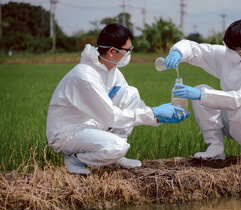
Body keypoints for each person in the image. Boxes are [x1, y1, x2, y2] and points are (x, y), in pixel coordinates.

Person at [46, 23, 188, 175]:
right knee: (118, 147)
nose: (129, 54)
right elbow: (112, 116)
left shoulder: (112, 70)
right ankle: (75, 159)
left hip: (92, 123)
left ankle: (115, 158)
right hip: (67, 133)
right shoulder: (85, 76)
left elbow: (131, 104)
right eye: (128, 50)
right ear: (112, 51)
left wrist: (159, 117)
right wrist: (153, 112)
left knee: (130, 93)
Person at [164, 19, 241, 165]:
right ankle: (215, 146)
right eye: (227, 47)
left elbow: (239, 98)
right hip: (231, 118)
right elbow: (196, 49)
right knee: (201, 90)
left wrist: (202, 96)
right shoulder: (227, 54)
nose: (229, 52)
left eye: (234, 49)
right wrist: (178, 52)